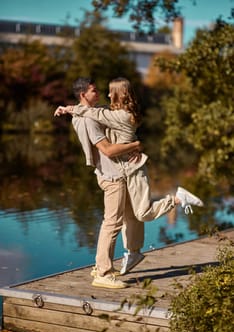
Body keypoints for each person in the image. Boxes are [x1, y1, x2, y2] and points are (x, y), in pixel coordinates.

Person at [55, 77, 204, 224]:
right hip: (128, 167)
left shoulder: (121, 116)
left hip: (134, 168)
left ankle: (177, 198)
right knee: (132, 214)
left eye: (110, 92)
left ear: (120, 94)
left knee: (142, 214)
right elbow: (98, 112)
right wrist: (136, 145)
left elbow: (96, 114)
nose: (107, 95)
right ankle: (133, 249)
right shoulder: (122, 113)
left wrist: (69, 109)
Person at [55, 77, 145, 289]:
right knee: (112, 223)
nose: (98, 93)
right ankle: (103, 273)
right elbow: (107, 149)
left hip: (116, 171)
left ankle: (114, 260)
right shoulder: (88, 120)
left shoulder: (88, 111)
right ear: (82, 94)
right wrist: (135, 145)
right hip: (112, 175)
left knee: (129, 216)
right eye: (93, 91)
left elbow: (107, 112)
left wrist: (66, 109)